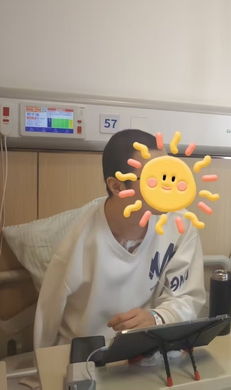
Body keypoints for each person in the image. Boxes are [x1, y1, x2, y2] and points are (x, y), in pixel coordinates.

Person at [33, 129, 206, 349]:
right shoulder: (77, 243)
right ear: (117, 186)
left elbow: (187, 297)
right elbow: (47, 320)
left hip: (148, 347)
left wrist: (157, 318)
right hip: (88, 352)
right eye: (154, 178)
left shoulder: (181, 226)